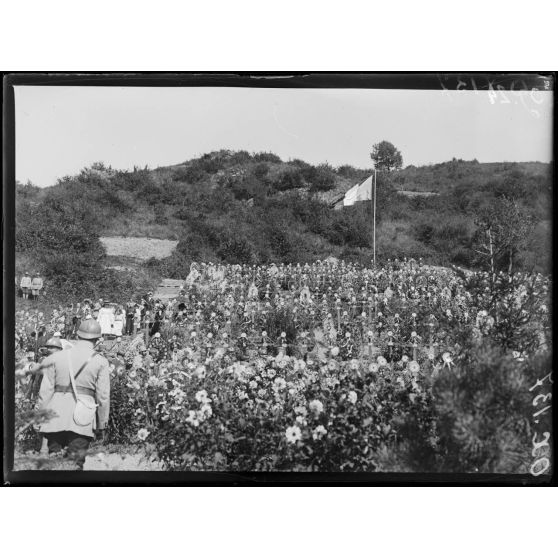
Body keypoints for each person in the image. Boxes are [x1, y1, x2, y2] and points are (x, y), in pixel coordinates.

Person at [30, 318, 110, 469]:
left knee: (55, 464)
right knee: (74, 466)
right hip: (82, 418)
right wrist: (102, 424)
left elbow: (45, 392)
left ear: (78, 336)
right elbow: (103, 397)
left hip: (55, 417)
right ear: (97, 339)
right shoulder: (101, 362)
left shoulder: (56, 357)